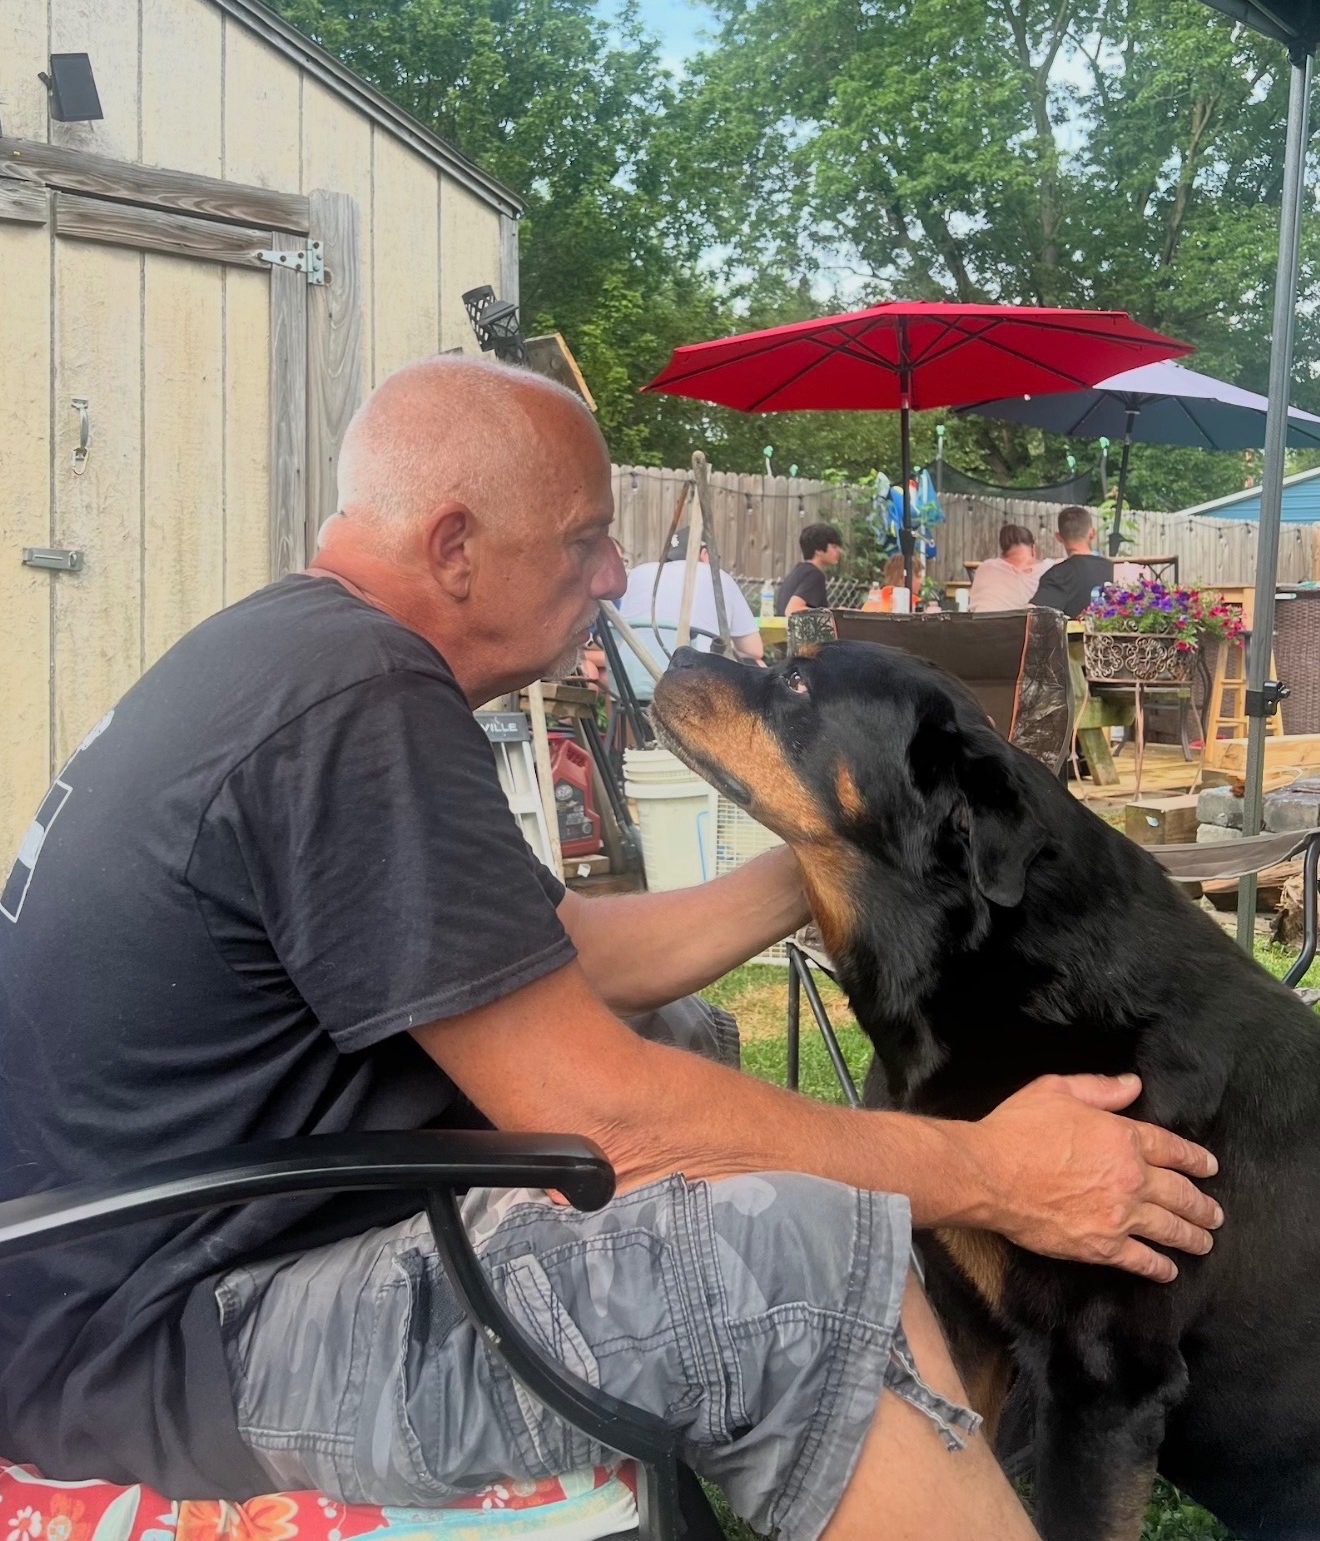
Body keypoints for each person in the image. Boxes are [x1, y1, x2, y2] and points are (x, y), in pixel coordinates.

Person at [0, 359, 1223, 1541]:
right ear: (455, 545)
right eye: (585, 538)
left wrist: (837, 853)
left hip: (142, 1271)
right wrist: (994, 1172)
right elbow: (612, 1122)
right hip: (170, 1347)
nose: (615, 573)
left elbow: (571, 953)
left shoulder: (299, 655)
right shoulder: (356, 700)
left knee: (682, 1042)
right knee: (784, 1268)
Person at [618, 526, 764, 662]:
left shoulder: (637, 574)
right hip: (695, 674)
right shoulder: (718, 578)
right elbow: (753, 650)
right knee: (756, 663)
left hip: (632, 672)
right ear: (705, 554)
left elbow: (619, 633)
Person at [1031, 505, 1116, 618]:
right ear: (1092, 533)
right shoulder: (1113, 569)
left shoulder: (1057, 575)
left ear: (1058, 537)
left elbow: (1033, 615)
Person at [968, 523, 1043, 613]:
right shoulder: (1048, 568)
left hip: (982, 621)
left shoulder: (985, 568)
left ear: (1002, 552)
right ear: (1033, 548)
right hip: (1028, 621)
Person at [775, 522, 843, 616]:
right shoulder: (815, 575)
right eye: (834, 547)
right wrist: (833, 614)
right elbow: (793, 610)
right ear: (818, 550)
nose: (839, 551)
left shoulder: (797, 572)